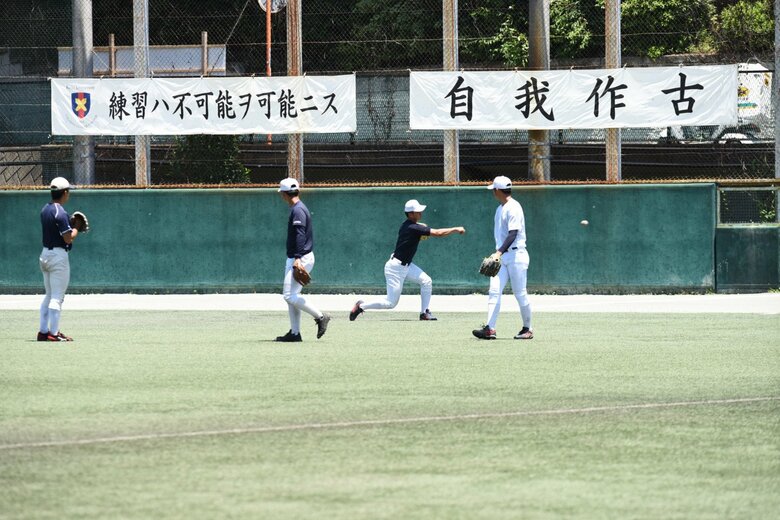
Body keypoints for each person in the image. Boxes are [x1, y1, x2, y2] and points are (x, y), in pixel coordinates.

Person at [349, 199, 465, 322]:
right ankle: (361, 306)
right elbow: (438, 233)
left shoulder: (410, 226)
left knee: (426, 281)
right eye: (417, 211)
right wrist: (455, 229)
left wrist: (422, 229)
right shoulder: (412, 227)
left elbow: (421, 229)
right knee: (391, 303)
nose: (420, 213)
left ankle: (424, 313)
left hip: (406, 266)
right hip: (395, 268)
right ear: (410, 214)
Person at [473, 176, 533, 340]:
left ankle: (528, 328)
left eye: (494, 189)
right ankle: (490, 329)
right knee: (494, 291)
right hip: (502, 257)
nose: (492, 191)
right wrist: (499, 253)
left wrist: (498, 252)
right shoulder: (500, 208)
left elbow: (513, 233)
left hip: (516, 255)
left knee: (520, 293)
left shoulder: (513, 207)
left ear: (498, 190)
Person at [276, 177, 331, 342]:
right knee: (292, 297)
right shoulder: (298, 208)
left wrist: (298, 258)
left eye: (282, 193)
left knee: (288, 295)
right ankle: (295, 333)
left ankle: (321, 316)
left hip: (300, 257)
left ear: (285, 194)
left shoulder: (298, 210)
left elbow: (300, 235)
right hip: (297, 257)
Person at [37, 177, 80, 342]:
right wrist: (76, 228)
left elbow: (56, 228)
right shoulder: (60, 212)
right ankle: (53, 334)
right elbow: (68, 239)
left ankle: (43, 331)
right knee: (57, 297)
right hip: (57, 257)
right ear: (65, 193)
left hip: (45, 255)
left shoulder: (45, 209)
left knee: (49, 295)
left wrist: (69, 224)